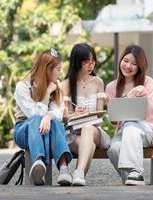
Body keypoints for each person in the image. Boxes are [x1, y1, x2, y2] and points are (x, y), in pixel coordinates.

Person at [105, 45, 153, 186]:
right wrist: (125, 100)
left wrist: (143, 94)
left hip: (147, 130)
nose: (128, 66)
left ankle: (137, 172)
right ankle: (132, 181)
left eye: (134, 64)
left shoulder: (147, 82)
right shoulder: (111, 87)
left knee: (131, 125)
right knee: (114, 148)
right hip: (123, 132)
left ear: (140, 66)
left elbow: (150, 111)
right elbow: (114, 121)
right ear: (120, 60)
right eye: (126, 61)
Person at [13, 49, 73, 186]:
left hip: (48, 126)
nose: (60, 73)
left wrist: (48, 117)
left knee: (56, 123)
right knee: (35, 120)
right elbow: (34, 114)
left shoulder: (56, 84)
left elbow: (58, 114)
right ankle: (38, 162)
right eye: (58, 69)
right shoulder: (23, 87)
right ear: (47, 69)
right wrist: (46, 94)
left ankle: (63, 169)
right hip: (24, 129)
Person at [61, 43, 110, 186]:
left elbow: (99, 116)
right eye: (86, 62)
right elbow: (64, 116)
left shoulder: (98, 82)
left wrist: (88, 115)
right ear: (77, 62)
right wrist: (74, 114)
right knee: (89, 145)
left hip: (95, 130)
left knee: (88, 128)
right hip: (73, 133)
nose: (91, 65)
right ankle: (79, 175)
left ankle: (77, 172)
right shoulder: (66, 84)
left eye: (93, 62)